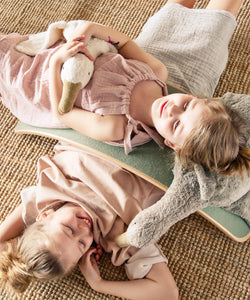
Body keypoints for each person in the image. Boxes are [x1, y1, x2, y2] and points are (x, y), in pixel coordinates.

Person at [0, 0, 246, 165]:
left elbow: (62, 112)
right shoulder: (157, 73)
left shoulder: (116, 126)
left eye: (177, 125)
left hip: (40, 81)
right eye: (186, 105)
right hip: (72, 51)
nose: (172, 109)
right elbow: (125, 45)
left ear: (171, 144)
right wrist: (94, 29)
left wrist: (56, 63)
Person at [0, 143, 178, 300]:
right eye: (82, 244)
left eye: (68, 228)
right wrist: (99, 284)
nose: (84, 230)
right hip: (152, 148)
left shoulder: (52, 188)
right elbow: (167, 293)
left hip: (103, 131)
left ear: (45, 215)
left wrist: (16, 257)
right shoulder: (119, 234)